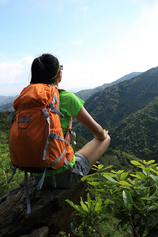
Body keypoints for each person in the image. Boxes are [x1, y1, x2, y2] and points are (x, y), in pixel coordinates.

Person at [32, 53, 111, 188]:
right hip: (63, 176)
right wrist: (103, 133)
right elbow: (98, 132)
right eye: (60, 68)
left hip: (37, 176)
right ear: (58, 74)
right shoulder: (66, 98)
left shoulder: (29, 99)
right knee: (105, 138)